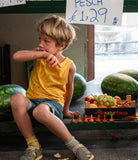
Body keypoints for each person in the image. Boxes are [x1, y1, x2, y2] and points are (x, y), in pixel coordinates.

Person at [10, 15, 94, 160]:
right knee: (16, 99)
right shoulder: (38, 54)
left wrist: (66, 110)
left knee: (41, 111)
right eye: (40, 39)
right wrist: (41, 54)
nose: (41, 44)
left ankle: (75, 145)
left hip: (52, 106)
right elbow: (16, 57)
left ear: (61, 46)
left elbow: (69, 89)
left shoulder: (69, 65)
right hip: (32, 103)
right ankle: (33, 146)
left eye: (46, 41)